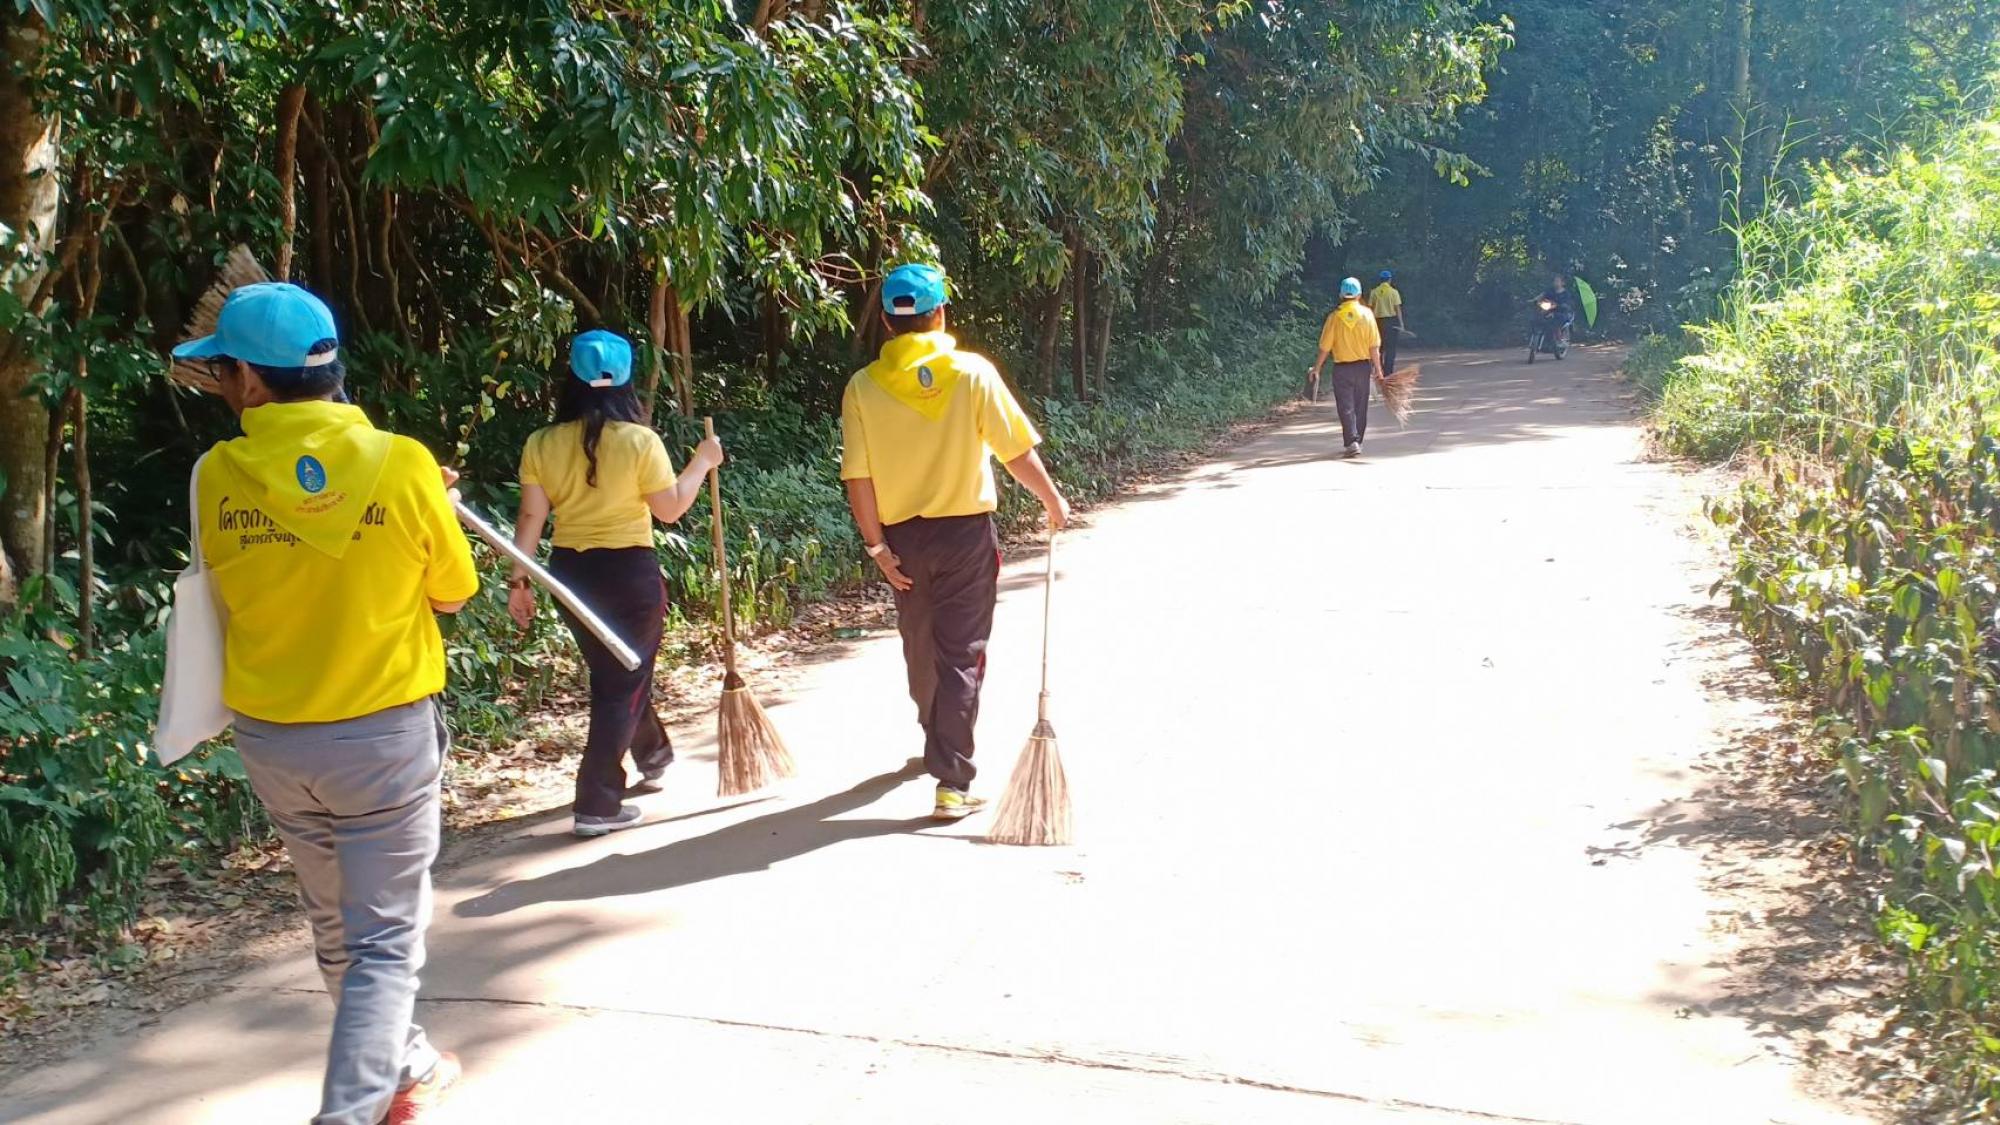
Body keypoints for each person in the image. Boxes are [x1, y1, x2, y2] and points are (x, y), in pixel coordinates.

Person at [174, 282, 476, 1125]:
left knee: (338, 926)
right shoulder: (403, 463)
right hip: (382, 739)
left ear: (250, 380)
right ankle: (351, 1110)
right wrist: (427, 503)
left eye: (222, 371)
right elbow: (453, 591)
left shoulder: (214, 475)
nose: (222, 385)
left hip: (276, 742)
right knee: (383, 942)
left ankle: (405, 1064)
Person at [840, 263, 1070, 820]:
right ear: (940, 313)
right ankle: (952, 781)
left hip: (902, 539)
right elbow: (1015, 452)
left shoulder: (864, 387)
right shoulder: (972, 373)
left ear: (887, 324)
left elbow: (858, 478)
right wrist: (1052, 500)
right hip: (965, 535)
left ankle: (937, 736)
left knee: (920, 644)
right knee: (961, 653)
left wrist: (877, 549)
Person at [508, 330, 724, 837]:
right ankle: (597, 804)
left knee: (617, 673)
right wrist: (703, 461)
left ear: (572, 378)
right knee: (621, 680)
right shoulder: (640, 441)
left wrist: (519, 580)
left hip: (570, 575)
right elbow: (670, 509)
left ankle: (654, 754)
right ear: (627, 380)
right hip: (629, 575)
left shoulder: (542, 443)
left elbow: (531, 516)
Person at [1308, 276, 1384, 458]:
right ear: (1359, 294)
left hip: (1342, 369)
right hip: (1362, 368)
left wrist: (1317, 368)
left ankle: (1352, 441)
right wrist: (1379, 371)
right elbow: (1374, 346)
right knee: (1360, 406)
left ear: (1341, 295)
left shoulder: (1334, 317)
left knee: (1345, 406)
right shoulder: (1367, 315)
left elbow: (1325, 347)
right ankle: (1358, 440)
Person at [1368, 269, 1407, 376]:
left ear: (1380, 280)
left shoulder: (1374, 292)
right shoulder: (1393, 292)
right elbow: (1397, 309)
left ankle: (1379, 371)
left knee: (1379, 347)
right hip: (1391, 322)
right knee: (1391, 348)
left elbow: (1370, 309)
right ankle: (1388, 372)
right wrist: (1401, 324)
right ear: (1389, 280)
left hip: (1377, 322)